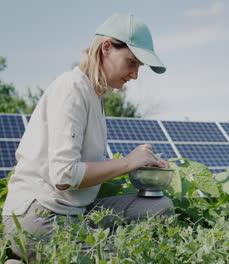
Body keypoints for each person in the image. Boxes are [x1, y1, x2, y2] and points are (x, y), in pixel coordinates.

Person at [2, 13, 173, 262]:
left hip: (76, 210)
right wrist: (127, 162)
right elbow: (63, 176)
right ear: (106, 48)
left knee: (159, 207)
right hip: (38, 215)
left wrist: (139, 167)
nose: (135, 74)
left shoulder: (95, 96)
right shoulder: (72, 88)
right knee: (117, 259)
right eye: (132, 62)